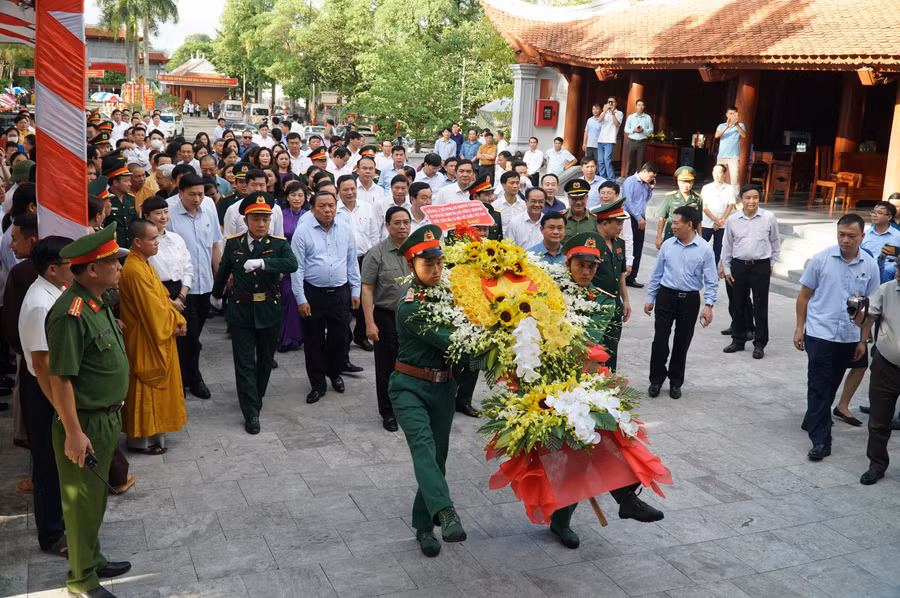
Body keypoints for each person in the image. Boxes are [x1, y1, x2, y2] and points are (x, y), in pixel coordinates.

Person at [548, 231, 663, 550]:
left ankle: (614, 501)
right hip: (553, 385)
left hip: (589, 384)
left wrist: (607, 387)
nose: (586, 271)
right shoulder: (549, 295)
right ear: (568, 262)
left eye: (592, 266)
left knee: (601, 444)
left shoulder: (605, 301)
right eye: (581, 265)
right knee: (580, 452)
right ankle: (620, 499)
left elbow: (606, 347)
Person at [45, 224, 133, 598]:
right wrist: (74, 432)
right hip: (84, 421)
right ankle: (81, 580)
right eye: (112, 261)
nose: (118, 265)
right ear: (92, 270)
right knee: (80, 503)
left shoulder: (98, 302)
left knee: (94, 499)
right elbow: (60, 379)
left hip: (105, 417)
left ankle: (92, 559)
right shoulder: (72, 314)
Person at [390, 224, 467, 557]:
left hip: (443, 388)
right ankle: (445, 511)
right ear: (412, 266)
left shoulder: (452, 292)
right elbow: (455, 340)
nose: (435, 270)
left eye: (439, 262)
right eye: (427, 264)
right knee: (423, 449)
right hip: (409, 387)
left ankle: (423, 526)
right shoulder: (409, 307)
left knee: (437, 458)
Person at [794, 213, 879, 461]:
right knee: (819, 384)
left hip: (848, 336)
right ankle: (821, 440)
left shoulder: (870, 266)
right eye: (841, 234)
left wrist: (863, 339)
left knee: (831, 382)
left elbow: (869, 307)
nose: (845, 240)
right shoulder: (821, 260)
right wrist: (800, 328)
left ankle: (813, 417)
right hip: (820, 333)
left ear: (862, 236)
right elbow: (804, 296)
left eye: (851, 236)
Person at [211, 192, 298, 434]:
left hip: (269, 310)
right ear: (246, 220)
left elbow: (292, 264)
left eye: (265, 219)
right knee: (244, 363)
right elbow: (223, 270)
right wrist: (216, 295)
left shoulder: (278, 244)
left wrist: (264, 264)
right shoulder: (234, 243)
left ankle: (256, 397)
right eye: (256, 219)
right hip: (241, 310)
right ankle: (250, 411)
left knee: (265, 361)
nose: (261, 224)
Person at [18, 236, 72, 558]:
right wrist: (62, 410)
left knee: (57, 460)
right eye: (69, 264)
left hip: (53, 385)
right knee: (48, 462)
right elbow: (41, 363)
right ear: (53, 269)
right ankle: (52, 534)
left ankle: (62, 520)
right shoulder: (41, 302)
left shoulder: (56, 292)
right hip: (44, 389)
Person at [119, 219, 187, 454]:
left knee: (154, 387)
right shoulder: (135, 270)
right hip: (145, 337)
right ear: (137, 242)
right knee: (146, 385)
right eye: (152, 239)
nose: (157, 243)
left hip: (152, 333)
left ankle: (153, 435)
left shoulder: (143, 263)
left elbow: (161, 296)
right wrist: (176, 321)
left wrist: (174, 315)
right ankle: (141, 440)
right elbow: (153, 311)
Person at [292, 190, 362, 404]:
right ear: (312, 209)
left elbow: (352, 262)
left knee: (340, 339)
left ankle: (335, 373)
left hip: (340, 293)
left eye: (331, 205)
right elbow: (297, 268)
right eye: (321, 206)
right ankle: (317, 383)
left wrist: (356, 290)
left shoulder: (346, 229)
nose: (327, 210)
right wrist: (300, 298)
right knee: (313, 341)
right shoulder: (303, 232)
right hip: (313, 292)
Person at [645, 206, 717, 400]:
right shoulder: (668, 244)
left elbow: (711, 280)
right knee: (660, 340)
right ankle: (656, 380)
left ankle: (676, 382)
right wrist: (650, 298)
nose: (673, 226)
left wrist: (708, 306)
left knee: (682, 342)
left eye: (676, 223)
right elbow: (657, 273)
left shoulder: (704, 249)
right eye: (672, 222)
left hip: (689, 300)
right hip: (666, 297)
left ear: (689, 224)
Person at [167, 173, 223, 400]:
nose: (198, 199)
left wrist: (219, 277)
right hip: (181, 287)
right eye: (192, 195)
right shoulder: (169, 213)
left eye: (201, 194)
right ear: (180, 193)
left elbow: (214, 245)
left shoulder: (208, 208)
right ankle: (191, 378)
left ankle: (187, 375)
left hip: (205, 283)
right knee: (185, 335)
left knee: (195, 334)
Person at [362, 206, 412, 432]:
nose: (402, 227)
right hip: (386, 316)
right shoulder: (377, 253)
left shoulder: (417, 250)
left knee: (412, 365)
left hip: (413, 316)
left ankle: (408, 407)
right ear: (387, 225)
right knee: (386, 367)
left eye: (406, 222)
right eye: (397, 223)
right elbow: (367, 289)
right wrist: (369, 322)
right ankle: (388, 412)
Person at [721, 184, 780, 360]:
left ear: (759, 199)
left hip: (761, 266)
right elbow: (727, 246)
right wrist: (727, 268)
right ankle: (738, 340)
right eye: (748, 197)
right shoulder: (733, 220)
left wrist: (772, 262)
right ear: (741, 200)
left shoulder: (769, 217)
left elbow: (776, 242)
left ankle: (760, 343)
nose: (751, 201)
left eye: (755, 197)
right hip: (739, 265)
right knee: (738, 304)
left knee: (760, 306)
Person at [857, 266, 900, 485]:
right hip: (886, 366)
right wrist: (858, 311)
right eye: (899, 269)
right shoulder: (886, 289)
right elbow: (866, 317)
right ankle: (877, 465)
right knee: (879, 421)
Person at [337, 174, 380, 351]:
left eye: (352, 188)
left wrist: (374, 257)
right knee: (345, 300)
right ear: (338, 191)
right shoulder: (335, 210)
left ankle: (361, 336)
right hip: (343, 261)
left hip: (365, 259)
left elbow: (374, 234)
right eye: (345, 189)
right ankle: (344, 337)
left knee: (365, 298)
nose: (349, 192)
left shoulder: (367, 208)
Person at [588, 198, 632, 371]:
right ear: (604, 223)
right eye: (618, 223)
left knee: (612, 349)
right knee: (593, 350)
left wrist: (626, 300)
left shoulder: (619, 243)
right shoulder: (590, 243)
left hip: (615, 306)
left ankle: (610, 385)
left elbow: (621, 276)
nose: (621, 227)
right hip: (595, 306)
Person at [623, 162, 657, 288]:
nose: (651, 179)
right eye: (651, 176)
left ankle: (632, 277)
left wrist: (650, 188)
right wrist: (638, 218)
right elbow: (628, 201)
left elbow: (645, 200)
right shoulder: (630, 181)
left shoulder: (645, 184)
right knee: (628, 245)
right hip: (631, 217)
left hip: (641, 217)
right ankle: (624, 274)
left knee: (638, 247)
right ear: (644, 171)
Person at [656, 166, 702, 247]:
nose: (685, 185)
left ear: (692, 183)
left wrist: (700, 237)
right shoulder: (670, 197)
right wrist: (659, 237)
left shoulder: (697, 199)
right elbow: (662, 218)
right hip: (672, 235)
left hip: (689, 237)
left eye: (688, 182)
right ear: (678, 182)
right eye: (683, 183)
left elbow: (698, 221)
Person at [700, 164, 736, 265]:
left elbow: (730, 205)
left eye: (719, 173)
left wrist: (721, 221)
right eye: (714, 172)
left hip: (722, 225)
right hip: (707, 223)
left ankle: (713, 269)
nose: (716, 175)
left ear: (724, 174)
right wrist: (715, 219)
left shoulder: (729, 188)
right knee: (701, 245)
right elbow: (704, 206)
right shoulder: (706, 188)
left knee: (718, 248)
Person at [102, 154, 138, 249]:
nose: (130, 184)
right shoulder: (105, 201)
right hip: (113, 249)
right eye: (126, 181)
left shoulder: (131, 199)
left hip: (130, 249)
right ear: (115, 182)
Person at [861, 201, 900, 283]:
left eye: (879, 213)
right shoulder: (865, 234)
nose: (874, 215)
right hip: (866, 273)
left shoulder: (897, 236)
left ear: (889, 217)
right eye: (873, 212)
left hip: (888, 275)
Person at [715, 106, 747, 185]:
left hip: (734, 157)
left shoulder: (741, 125)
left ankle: (735, 197)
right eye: (730, 113)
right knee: (720, 178)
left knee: (735, 180)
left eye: (734, 114)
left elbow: (744, 136)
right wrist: (727, 127)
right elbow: (717, 135)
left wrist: (736, 125)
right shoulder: (721, 125)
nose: (732, 115)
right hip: (722, 156)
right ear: (727, 115)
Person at [623, 99, 653, 176]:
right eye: (638, 105)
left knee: (640, 161)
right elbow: (626, 129)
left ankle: (639, 177)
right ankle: (629, 177)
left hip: (642, 141)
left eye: (642, 105)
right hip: (632, 141)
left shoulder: (648, 117)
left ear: (644, 107)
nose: (640, 107)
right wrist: (634, 130)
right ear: (636, 106)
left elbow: (651, 130)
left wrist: (643, 130)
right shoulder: (631, 117)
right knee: (630, 161)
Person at [596, 96, 623, 180]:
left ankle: (612, 178)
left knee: (607, 160)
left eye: (612, 102)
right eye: (609, 102)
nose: (610, 104)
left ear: (616, 103)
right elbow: (599, 120)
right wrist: (604, 111)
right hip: (601, 139)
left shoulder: (619, 113)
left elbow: (616, 124)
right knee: (600, 161)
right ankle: (602, 178)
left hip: (610, 140)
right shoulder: (604, 112)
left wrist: (612, 113)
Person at [491, 171, 525, 236]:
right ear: (503, 185)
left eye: (517, 183)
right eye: (512, 183)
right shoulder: (495, 206)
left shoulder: (524, 205)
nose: (515, 186)